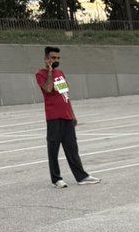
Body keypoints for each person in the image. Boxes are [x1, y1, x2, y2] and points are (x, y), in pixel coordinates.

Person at [34, 47, 100, 188]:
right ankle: (56, 179)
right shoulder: (40, 74)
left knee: (72, 148)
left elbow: (65, 95)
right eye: (53, 58)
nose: (56, 60)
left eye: (58, 58)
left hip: (67, 116)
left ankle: (81, 177)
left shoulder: (60, 73)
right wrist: (50, 72)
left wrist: (72, 114)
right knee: (53, 149)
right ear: (46, 58)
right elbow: (48, 89)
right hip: (53, 117)